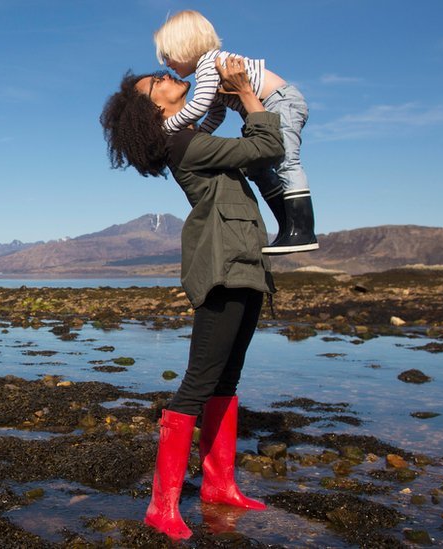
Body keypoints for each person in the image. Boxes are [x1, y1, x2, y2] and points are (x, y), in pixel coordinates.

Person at [100, 58, 284, 540]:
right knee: (198, 383)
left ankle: (219, 485)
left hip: (244, 260)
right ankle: (162, 506)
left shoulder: (190, 134)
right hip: (220, 266)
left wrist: (222, 98)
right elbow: (267, 146)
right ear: (153, 108)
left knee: (227, 378)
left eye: (160, 73)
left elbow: (212, 122)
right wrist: (246, 92)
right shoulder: (183, 143)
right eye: (155, 83)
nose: (165, 77)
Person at [154, 9, 318, 255]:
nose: (167, 64)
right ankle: (287, 227)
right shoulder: (209, 71)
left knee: (286, 162)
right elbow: (216, 113)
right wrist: (200, 135)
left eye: (168, 56)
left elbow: (198, 107)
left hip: (280, 103)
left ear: (184, 46)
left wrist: (168, 126)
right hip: (268, 108)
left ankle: (303, 231)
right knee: (258, 169)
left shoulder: (210, 65)